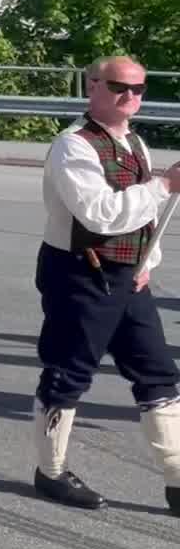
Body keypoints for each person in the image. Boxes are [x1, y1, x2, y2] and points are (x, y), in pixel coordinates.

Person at [31, 56, 180, 515]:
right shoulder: (72, 146)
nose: (131, 96)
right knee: (69, 372)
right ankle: (50, 473)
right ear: (92, 85)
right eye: (119, 87)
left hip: (127, 275)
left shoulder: (135, 141)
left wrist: (147, 260)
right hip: (79, 272)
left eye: (139, 88)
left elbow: (147, 220)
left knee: (157, 372)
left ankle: (177, 479)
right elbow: (99, 214)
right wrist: (163, 185)